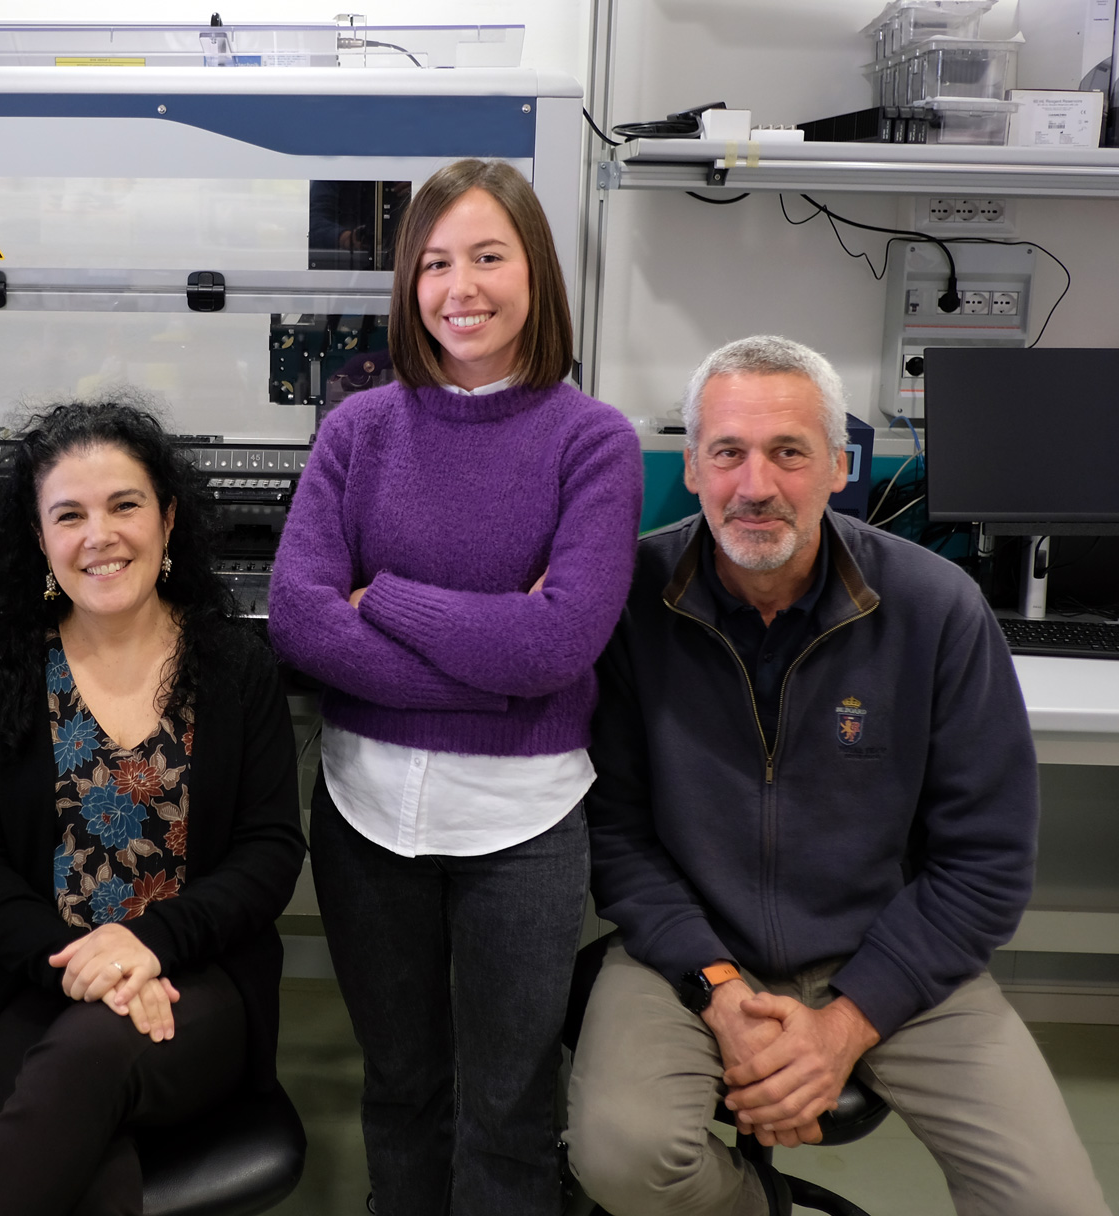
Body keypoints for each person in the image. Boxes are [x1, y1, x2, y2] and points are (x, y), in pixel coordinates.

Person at [566, 335, 1112, 1216]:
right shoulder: (631, 600)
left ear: (837, 466)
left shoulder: (936, 606)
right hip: (690, 954)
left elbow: (988, 863)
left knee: (1054, 1203)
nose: (755, 486)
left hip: (890, 952)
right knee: (625, 1156)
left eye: (788, 453)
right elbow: (616, 836)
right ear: (695, 468)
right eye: (728, 453)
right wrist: (720, 989)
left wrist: (844, 1027)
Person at [267, 158, 644, 1214]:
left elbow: (559, 641)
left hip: (522, 828)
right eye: (434, 262)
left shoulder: (591, 442)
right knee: (400, 1090)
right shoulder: (359, 429)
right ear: (407, 283)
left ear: (537, 272)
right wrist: (499, 670)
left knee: (511, 1107)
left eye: (487, 255)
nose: (459, 286)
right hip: (364, 813)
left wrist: (380, 597)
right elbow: (300, 617)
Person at [0, 401, 306, 1215]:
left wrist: (146, 945)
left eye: (124, 505)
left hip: (193, 987)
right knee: (86, 1161)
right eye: (69, 515)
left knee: (81, 1065)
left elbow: (269, 853)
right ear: (39, 538)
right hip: (32, 980)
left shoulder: (236, 669)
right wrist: (82, 965)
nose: (98, 535)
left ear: (168, 519)